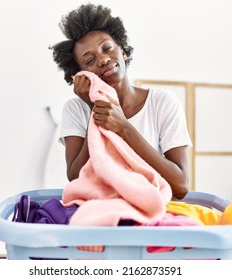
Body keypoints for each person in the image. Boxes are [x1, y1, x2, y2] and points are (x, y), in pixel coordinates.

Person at [50, 3, 192, 199]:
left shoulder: (162, 103)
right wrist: (95, 109)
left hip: (153, 212)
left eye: (107, 48)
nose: (102, 59)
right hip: (101, 210)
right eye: (89, 60)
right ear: (79, 74)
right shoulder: (76, 109)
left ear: (123, 51)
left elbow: (181, 185)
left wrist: (124, 127)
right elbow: (76, 179)